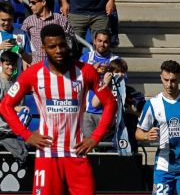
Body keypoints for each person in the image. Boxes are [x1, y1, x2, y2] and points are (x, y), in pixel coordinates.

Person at [0, 24, 117, 194]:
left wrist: (95, 138)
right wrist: (26, 134)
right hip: (47, 154)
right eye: (52, 46)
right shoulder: (33, 73)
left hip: (77, 153)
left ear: (67, 43)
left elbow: (110, 103)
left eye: (62, 44)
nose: (59, 50)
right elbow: (5, 105)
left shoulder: (86, 71)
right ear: (43, 48)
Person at [135, 60, 180, 195]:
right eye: (166, 80)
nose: (169, 84)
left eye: (173, 80)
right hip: (163, 166)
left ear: (179, 77)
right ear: (161, 78)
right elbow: (138, 133)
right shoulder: (152, 104)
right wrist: (146, 135)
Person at [80, 29, 119, 138]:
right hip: (88, 112)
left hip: (108, 112)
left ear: (110, 43)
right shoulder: (86, 58)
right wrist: (91, 70)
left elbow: (122, 80)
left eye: (105, 41)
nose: (102, 44)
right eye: (99, 41)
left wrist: (111, 72)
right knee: (88, 148)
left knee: (106, 149)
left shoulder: (116, 60)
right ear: (94, 41)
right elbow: (77, 78)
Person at [21, 0, 75, 64]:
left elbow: (70, 40)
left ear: (43, 2)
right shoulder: (28, 21)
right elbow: (23, 42)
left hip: (58, 63)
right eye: (30, 2)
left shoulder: (60, 19)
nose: (30, 5)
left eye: (33, 2)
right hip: (38, 63)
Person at [0, 51, 30, 163]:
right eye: (7, 64)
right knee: (21, 151)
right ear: (1, 64)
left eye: (12, 64)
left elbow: (21, 107)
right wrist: (14, 108)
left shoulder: (16, 84)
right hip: (2, 130)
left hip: (13, 130)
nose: (10, 67)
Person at [0, 1, 32, 71]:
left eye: (9, 20)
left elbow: (30, 60)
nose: (6, 23)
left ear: (13, 18)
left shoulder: (22, 34)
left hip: (17, 79)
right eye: (3, 20)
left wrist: (22, 52)